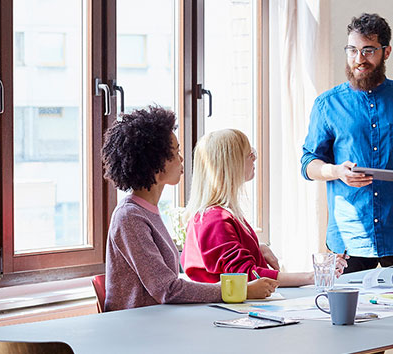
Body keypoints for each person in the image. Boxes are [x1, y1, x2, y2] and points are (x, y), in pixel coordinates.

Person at [301, 13, 393, 272]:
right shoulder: (327, 104)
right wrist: (336, 171)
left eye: (368, 50)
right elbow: (308, 164)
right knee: (345, 312)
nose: (359, 59)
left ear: (385, 52)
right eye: (352, 50)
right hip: (348, 239)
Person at [101, 107, 278, 312]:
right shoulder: (129, 217)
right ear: (155, 164)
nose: (181, 159)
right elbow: (167, 289)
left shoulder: (147, 212)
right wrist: (239, 291)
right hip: (137, 330)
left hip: (156, 323)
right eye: (175, 153)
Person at [181, 129, 345, 286]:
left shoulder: (219, 215)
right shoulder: (216, 219)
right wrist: (312, 276)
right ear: (232, 165)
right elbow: (247, 276)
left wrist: (257, 248)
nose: (254, 159)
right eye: (250, 155)